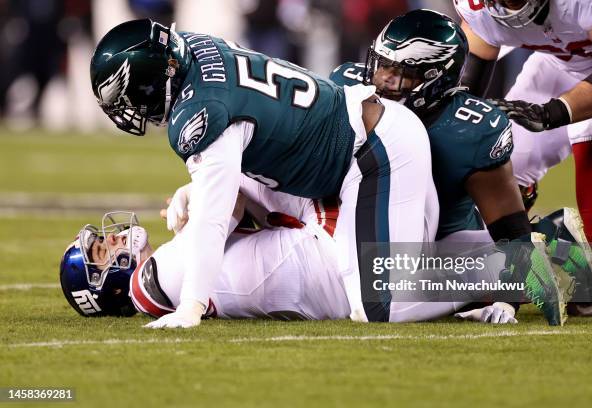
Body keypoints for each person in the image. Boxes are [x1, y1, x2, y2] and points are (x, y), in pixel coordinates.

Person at [89, 19, 437, 327]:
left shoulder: (200, 112)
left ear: (150, 80)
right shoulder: (194, 46)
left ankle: (487, 273)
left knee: (381, 305)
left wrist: (191, 304)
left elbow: (214, 218)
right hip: (345, 149)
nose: (128, 108)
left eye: (125, 96)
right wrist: (195, 188)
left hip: (378, 151)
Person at [328, 9, 592, 325]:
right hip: (371, 220)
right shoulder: (346, 86)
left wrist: (508, 296)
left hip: (445, 237)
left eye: (400, 71)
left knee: (386, 296)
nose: (383, 80)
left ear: (434, 78)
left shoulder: (468, 130)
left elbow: (510, 229)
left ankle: (553, 244)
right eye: (381, 65)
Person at [60, 207, 520, 325]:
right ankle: (546, 250)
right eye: (104, 252)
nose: (115, 239)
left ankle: (517, 257)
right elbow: (231, 206)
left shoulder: (164, 277)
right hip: (318, 265)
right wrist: (197, 197)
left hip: (309, 271)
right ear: (111, 288)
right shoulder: (150, 282)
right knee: (512, 264)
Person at [455, 0, 592, 315]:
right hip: (559, 64)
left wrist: (552, 112)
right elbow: (463, 85)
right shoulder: (478, 9)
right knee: (501, 154)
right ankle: (518, 263)